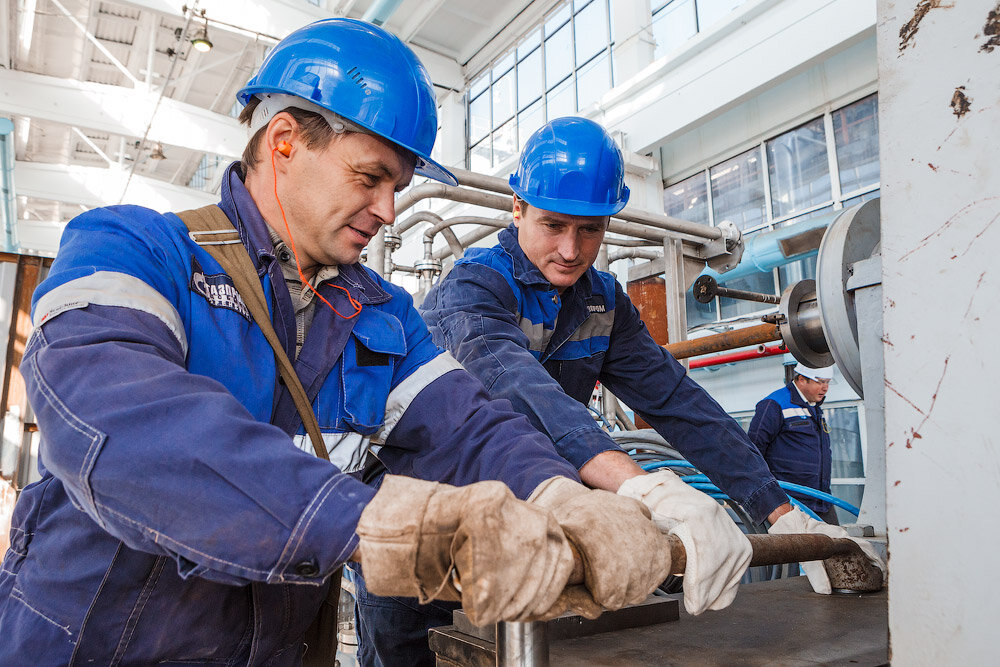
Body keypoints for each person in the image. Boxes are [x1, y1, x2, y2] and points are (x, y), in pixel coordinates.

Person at [0, 22, 675, 664]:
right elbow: (124, 429)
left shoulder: (378, 311)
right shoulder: (134, 250)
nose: (387, 211)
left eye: (399, 188)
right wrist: (382, 523)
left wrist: (561, 494)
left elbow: (469, 427)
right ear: (286, 140)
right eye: (370, 177)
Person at [418, 116, 884, 615]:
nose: (572, 251)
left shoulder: (602, 302)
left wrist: (778, 510)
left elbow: (679, 403)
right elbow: (519, 390)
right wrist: (643, 487)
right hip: (427, 518)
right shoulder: (473, 290)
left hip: (527, 522)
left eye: (591, 230)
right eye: (553, 225)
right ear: (517, 208)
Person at [749, 363, 839, 524]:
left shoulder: (815, 408)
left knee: (837, 544)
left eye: (828, 382)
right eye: (819, 382)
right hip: (790, 500)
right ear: (802, 379)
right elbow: (754, 450)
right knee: (797, 547)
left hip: (821, 498)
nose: (825, 388)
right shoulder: (774, 404)